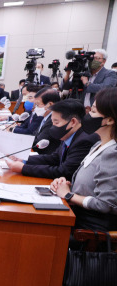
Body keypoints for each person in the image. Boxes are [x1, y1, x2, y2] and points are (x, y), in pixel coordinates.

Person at [50, 87, 117, 232]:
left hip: (88, 230)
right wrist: (66, 185)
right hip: (77, 217)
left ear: (110, 120)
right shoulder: (98, 145)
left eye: (93, 111)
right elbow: (89, 187)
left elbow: (105, 204)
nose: (87, 115)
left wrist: (68, 195)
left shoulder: (112, 152)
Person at [5, 99, 98, 180]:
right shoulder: (69, 134)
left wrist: (24, 168)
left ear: (73, 122)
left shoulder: (84, 140)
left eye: (56, 123)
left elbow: (64, 172)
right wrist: (23, 159)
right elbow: (54, 158)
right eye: (52, 122)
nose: (53, 127)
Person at [31, 88, 62, 154]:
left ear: (50, 104)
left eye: (38, 104)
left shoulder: (53, 120)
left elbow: (38, 142)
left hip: (45, 157)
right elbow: (35, 134)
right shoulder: (46, 117)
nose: (35, 108)